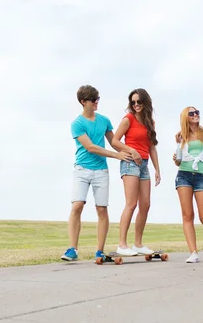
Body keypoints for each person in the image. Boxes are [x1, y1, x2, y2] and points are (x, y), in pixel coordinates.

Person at [61, 85, 133, 261]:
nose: (96, 102)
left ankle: (99, 251)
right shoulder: (77, 124)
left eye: (97, 99)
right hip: (82, 169)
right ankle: (72, 249)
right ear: (83, 102)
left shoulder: (104, 120)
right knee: (77, 205)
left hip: (101, 170)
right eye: (93, 100)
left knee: (101, 209)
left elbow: (114, 142)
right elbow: (91, 147)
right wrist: (116, 156)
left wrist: (131, 151)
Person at [111, 88, 161, 256]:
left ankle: (138, 244)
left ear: (145, 102)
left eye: (139, 101)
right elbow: (115, 141)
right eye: (133, 102)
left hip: (144, 164)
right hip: (130, 163)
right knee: (131, 203)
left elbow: (152, 147)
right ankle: (122, 244)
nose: (136, 105)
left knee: (145, 204)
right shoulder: (128, 119)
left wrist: (157, 170)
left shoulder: (149, 122)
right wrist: (131, 150)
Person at [172, 106, 203, 263]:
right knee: (187, 215)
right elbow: (179, 161)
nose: (195, 115)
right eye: (191, 113)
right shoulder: (181, 136)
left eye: (197, 112)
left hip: (202, 176)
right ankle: (193, 252)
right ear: (185, 117)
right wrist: (176, 159)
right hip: (183, 175)